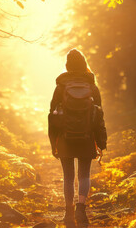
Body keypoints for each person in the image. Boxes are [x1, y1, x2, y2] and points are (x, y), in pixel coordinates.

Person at [48, 48, 107, 226]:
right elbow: (99, 116)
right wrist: (101, 141)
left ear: (67, 65)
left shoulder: (61, 87)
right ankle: (81, 209)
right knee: (84, 174)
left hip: (65, 138)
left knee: (68, 176)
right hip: (87, 137)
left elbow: (52, 115)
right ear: (84, 64)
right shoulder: (92, 86)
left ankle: (68, 212)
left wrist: (53, 143)